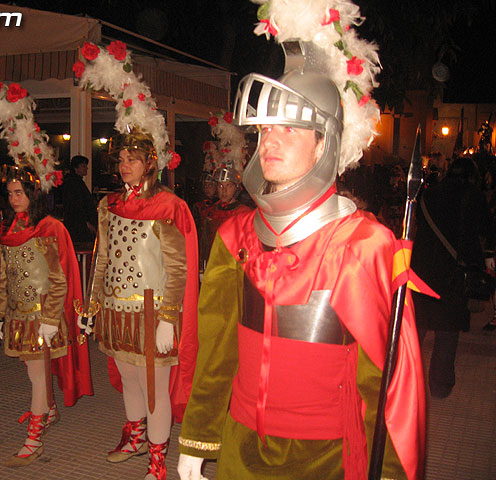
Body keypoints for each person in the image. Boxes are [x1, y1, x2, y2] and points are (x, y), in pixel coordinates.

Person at [177, 15, 426, 480]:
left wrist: (389, 472)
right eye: (266, 129)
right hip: (239, 449)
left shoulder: (364, 246)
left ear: (323, 143)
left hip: (326, 459)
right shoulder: (235, 238)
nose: (269, 140)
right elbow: (217, 352)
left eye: (289, 128)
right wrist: (199, 435)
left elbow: (387, 386)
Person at [85, 130, 199, 480]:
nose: (124, 166)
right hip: (117, 312)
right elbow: (101, 258)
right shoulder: (109, 205)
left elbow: (179, 267)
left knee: (155, 387)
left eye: (131, 160)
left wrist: (169, 318)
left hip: (153, 313)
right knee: (130, 379)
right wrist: (92, 306)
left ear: (150, 164)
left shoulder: (168, 206)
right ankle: (135, 436)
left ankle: (158, 458)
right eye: (120, 160)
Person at [0, 165, 92, 467]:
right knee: (31, 370)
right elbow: (4, 278)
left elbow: (59, 279)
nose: (13, 199)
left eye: (19, 192)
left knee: (36, 374)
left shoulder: (48, 229)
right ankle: (48, 408)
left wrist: (49, 318)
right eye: (9, 193)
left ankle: (33, 440)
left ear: (33, 194)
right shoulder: (7, 231)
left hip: (42, 316)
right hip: (18, 316)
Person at [412, 157, 496, 397]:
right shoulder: (473, 195)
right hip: (454, 273)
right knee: (447, 334)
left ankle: (405, 381)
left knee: (417, 329)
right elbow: (487, 230)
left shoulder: (428, 195)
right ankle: (439, 387)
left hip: (423, 271)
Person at [62, 155, 98, 248]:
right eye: (83, 166)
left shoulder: (77, 182)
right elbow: (76, 205)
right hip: (78, 226)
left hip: (80, 224)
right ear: (76, 168)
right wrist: (86, 222)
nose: (86, 168)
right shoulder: (73, 183)